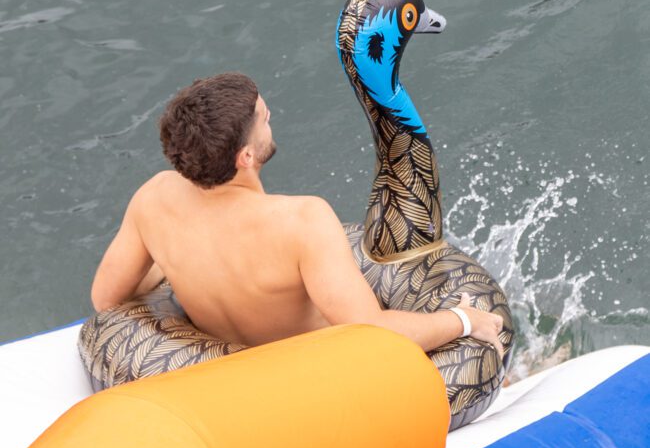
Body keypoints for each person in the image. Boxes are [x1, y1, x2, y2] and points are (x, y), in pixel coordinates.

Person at [91, 72, 504, 357]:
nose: (271, 120)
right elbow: (370, 331)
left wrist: (169, 263)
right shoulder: (301, 222)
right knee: (473, 337)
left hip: (228, 369)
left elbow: (107, 298)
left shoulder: (154, 199)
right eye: (264, 120)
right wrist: (462, 321)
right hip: (314, 375)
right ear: (246, 156)